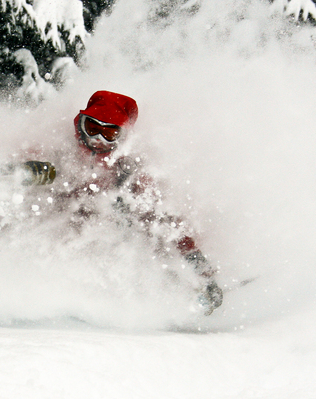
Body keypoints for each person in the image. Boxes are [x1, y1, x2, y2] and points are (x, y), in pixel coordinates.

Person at [12, 90, 223, 315]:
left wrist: (201, 269)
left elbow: (167, 224)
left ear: (121, 137)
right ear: (80, 123)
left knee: (144, 224)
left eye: (109, 134)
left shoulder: (129, 172)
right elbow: (12, 175)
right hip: (55, 246)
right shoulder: (60, 150)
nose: (97, 140)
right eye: (92, 129)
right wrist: (21, 172)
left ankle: (172, 289)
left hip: (109, 249)